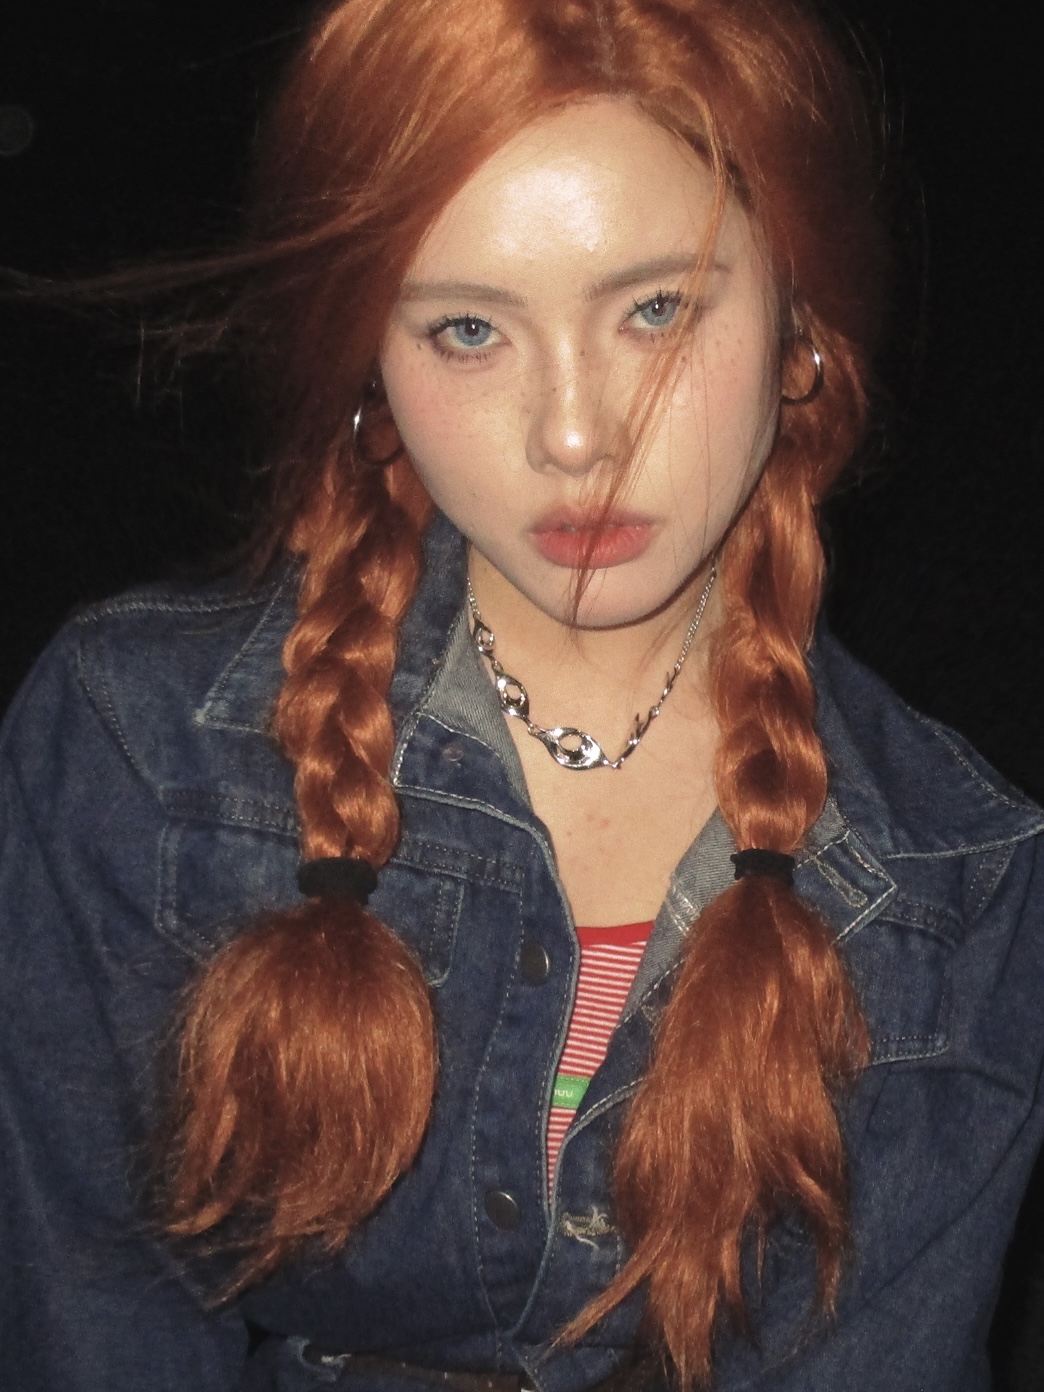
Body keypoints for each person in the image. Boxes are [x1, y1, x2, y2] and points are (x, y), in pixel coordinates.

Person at [1, 0, 1043, 1388]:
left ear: (802, 324)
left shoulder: (954, 889)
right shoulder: (139, 755)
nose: (573, 433)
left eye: (656, 310)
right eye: (468, 330)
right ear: (369, 363)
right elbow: (88, 1314)